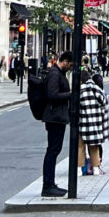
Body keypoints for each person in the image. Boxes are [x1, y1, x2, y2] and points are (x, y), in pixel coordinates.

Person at [41, 51, 73, 197]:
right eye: (70, 65)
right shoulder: (54, 74)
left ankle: (50, 184)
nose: (70, 68)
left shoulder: (58, 73)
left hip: (57, 117)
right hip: (54, 117)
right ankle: (48, 185)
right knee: (52, 151)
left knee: (54, 150)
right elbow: (52, 95)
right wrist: (71, 94)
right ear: (65, 61)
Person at [78, 67, 109, 176]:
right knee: (94, 146)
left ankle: (79, 169)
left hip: (82, 123)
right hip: (95, 123)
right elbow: (104, 103)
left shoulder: (79, 90)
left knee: (80, 147)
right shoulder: (97, 89)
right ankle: (96, 168)